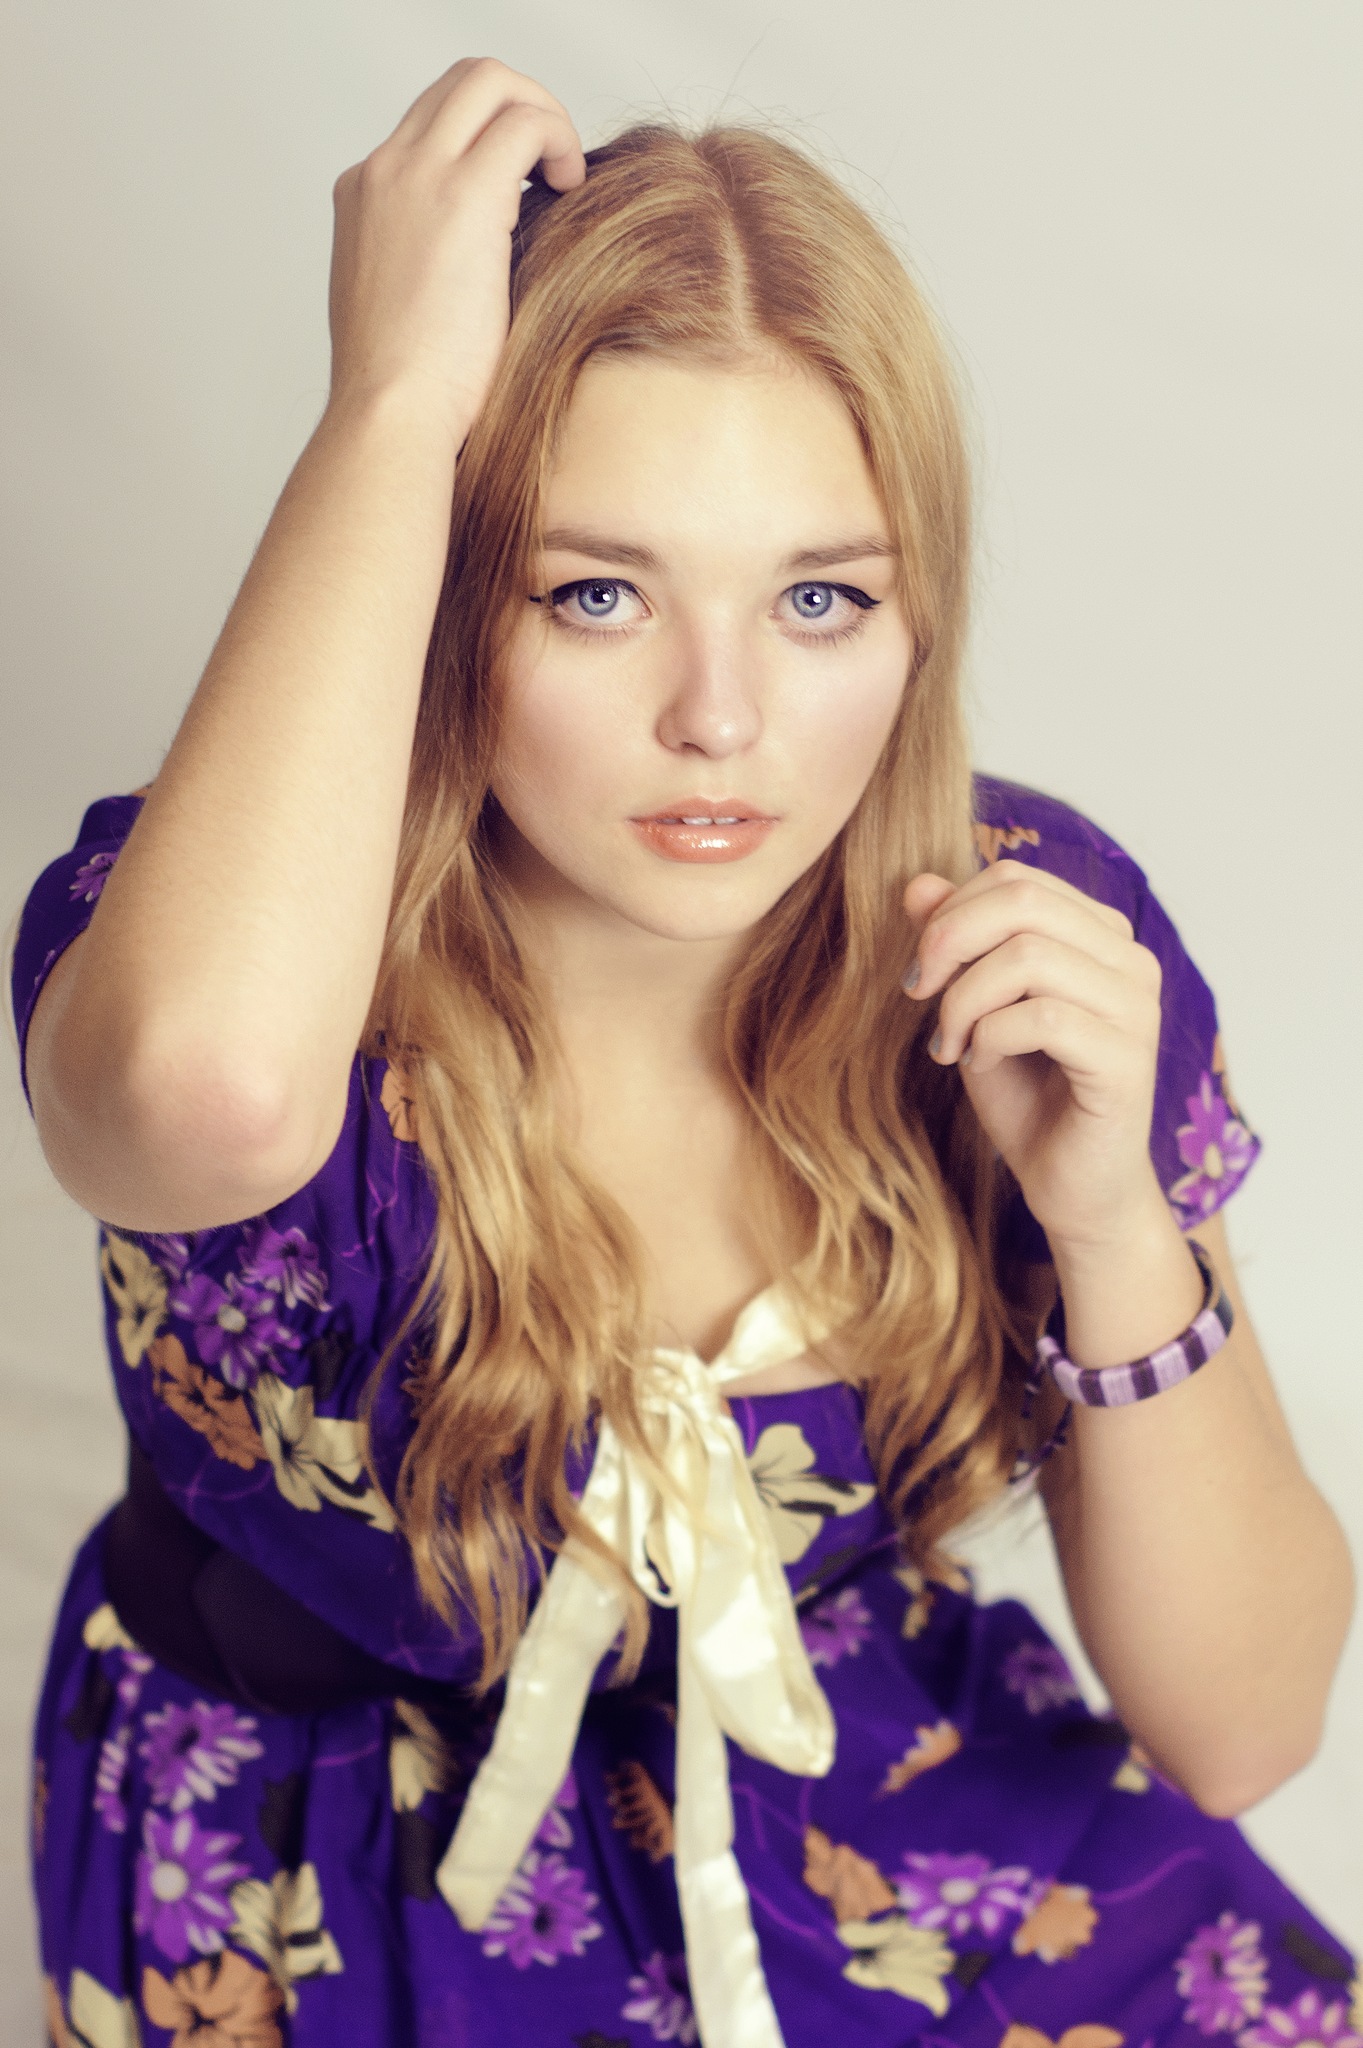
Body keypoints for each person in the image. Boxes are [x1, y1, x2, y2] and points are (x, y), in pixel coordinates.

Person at [11, 54, 1356, 2048]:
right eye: (596, 592)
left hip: (873, 1813)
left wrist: (1110, 1221)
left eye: (819, 597)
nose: (720, 718)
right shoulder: (228, 935)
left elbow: (1244, 1724)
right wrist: (391, 403)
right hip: (331, 1882)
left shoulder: (1024, 925)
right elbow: (198, 1093)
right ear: (448, 585)